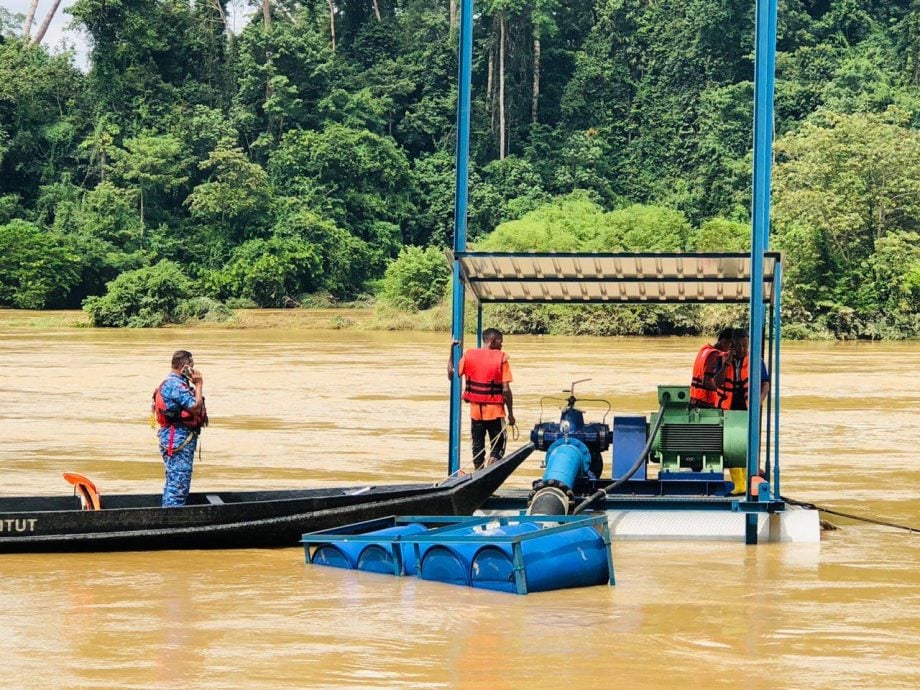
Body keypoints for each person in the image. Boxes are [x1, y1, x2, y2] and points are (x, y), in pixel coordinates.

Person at [447, 328, 516, 470]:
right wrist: (511, 414)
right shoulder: (501, 359)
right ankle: (488, 475)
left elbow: (450, 373)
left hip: (476, 413)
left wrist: (451, 351)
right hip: (495, 413)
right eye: (500, 342)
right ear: (492, 341)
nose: (501, 345)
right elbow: (505, 390)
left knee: (477, 447)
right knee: (498, 447)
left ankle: (478, 474)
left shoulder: (468, 356)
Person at [717, 329, 770, 494]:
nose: (742, 349)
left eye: (745, 345)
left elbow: (765, 384)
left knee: (747, 444)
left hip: (748, 407)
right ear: (732, 345)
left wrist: (758, 402)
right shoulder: (723, 359)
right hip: (728, 407)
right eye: (739, 346)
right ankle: (739, 484)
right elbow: (718, 382)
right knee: (731, 445)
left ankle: (749, 480)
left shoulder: (756, 361)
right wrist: (728, 361)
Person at [152, 350, 208, 507]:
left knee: (174, 480)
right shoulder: (175, 385)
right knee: (179, 484)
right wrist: (199, 384)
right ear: (184, 367)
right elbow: (195, 408)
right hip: (178, 440)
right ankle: (171, 521)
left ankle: (167, 514)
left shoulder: (174, 383)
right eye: (192, 366)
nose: (194, 370)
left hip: (174, 439)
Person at [689, 328, 734, 408]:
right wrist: (722, 392)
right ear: (724, 340)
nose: (732, 348)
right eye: (732, 344)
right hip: (706, 402)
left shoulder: (704, 350)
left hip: (695, 399)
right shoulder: (714, 354)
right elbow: (707, 381)